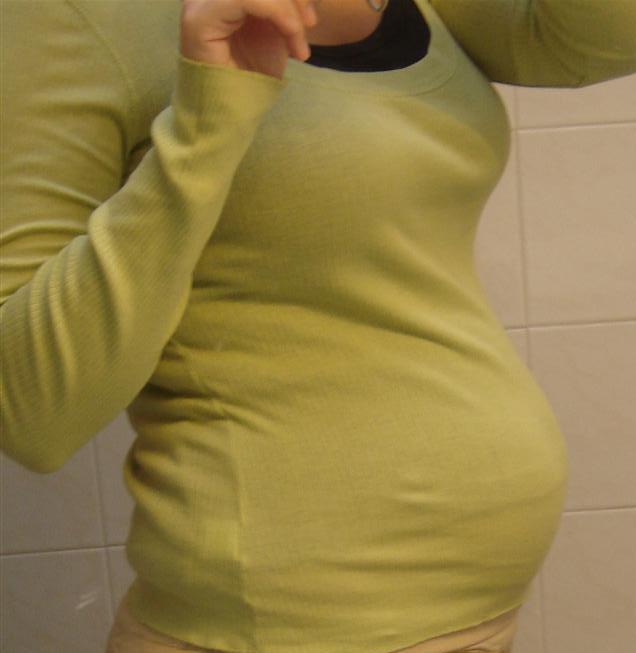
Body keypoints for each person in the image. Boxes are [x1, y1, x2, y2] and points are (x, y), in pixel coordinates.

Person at [1, 1, 635, 652]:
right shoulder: (71, 17)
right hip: (289, 619)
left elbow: (607, 37)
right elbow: (32, 411)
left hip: (470, 613)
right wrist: (207, 122)